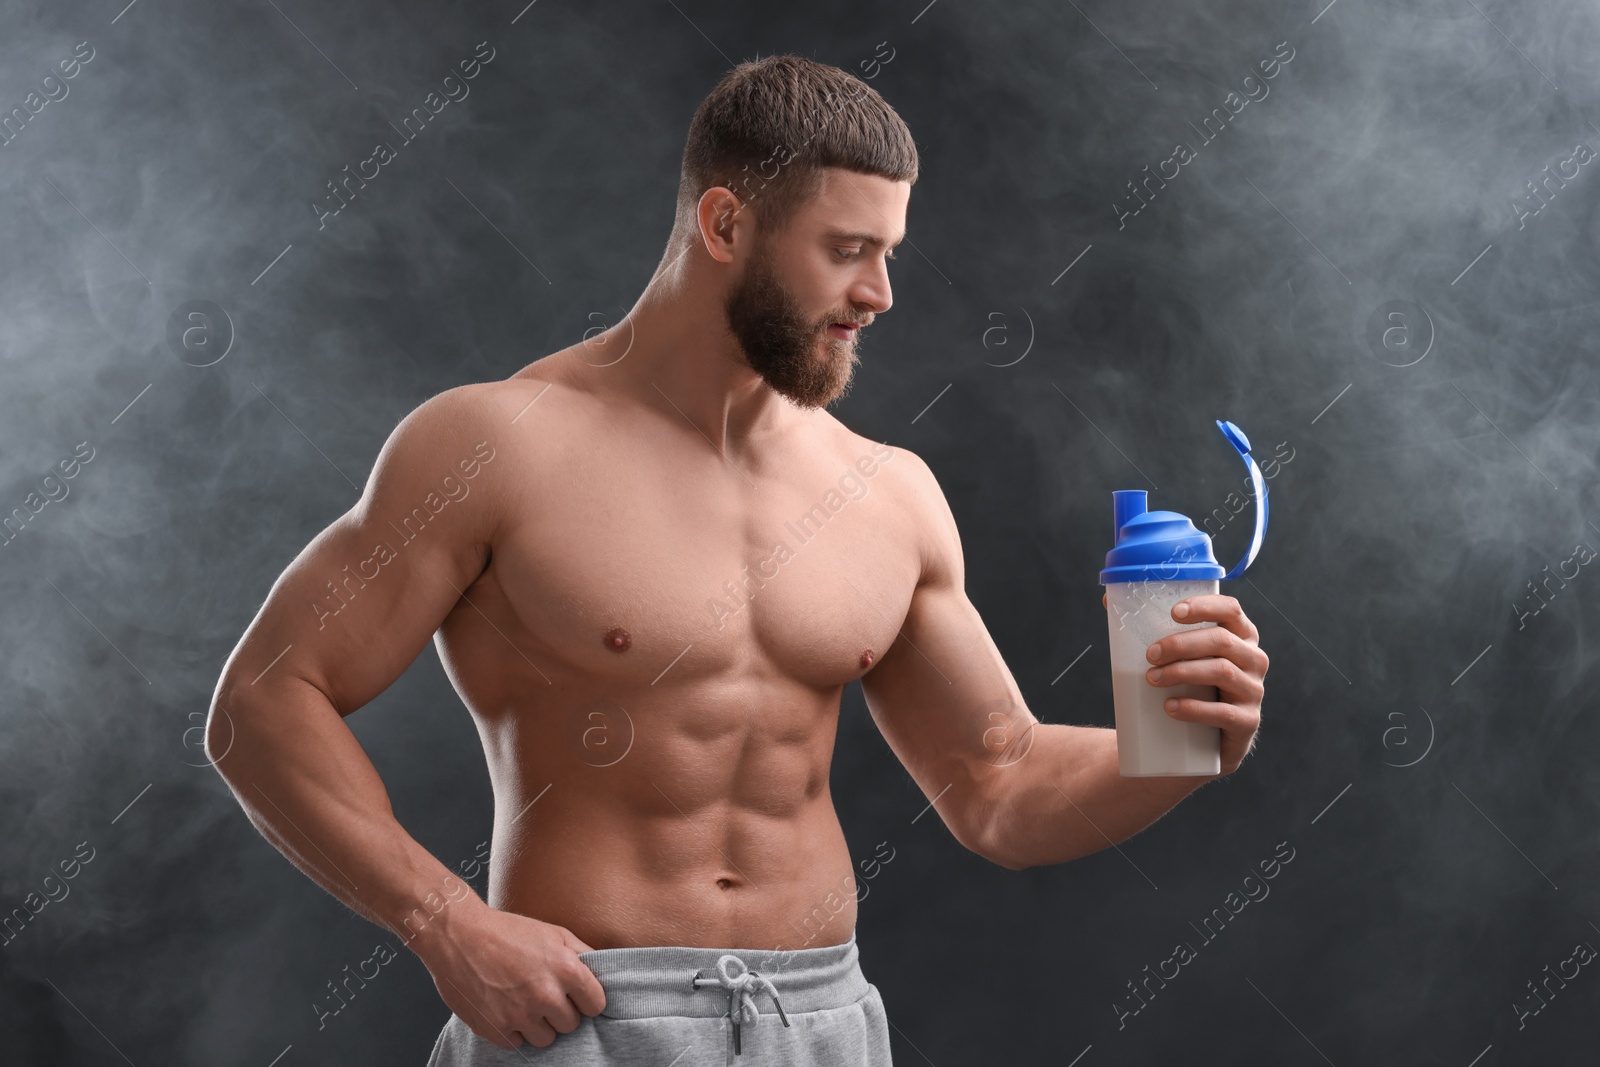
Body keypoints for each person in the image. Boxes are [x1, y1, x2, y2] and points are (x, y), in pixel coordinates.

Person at [205, 53, 1268, 1066]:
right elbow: (263, 699)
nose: (880, 294)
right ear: (726, 222)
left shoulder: (887, 492)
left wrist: (1170, 748)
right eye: (848, 249)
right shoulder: (495, 443)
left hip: (820, 1023)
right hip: (581, 1020)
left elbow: (1000, 782)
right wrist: (446, 924)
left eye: (889, 251)